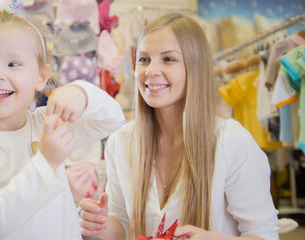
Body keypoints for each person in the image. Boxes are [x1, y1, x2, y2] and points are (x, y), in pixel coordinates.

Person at [79, 13, 279, 240]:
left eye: (168, 59)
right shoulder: (121, 142)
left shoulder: (231, 141)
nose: (151, 70)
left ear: (195, 67)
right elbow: (122, 226)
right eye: (144, 59)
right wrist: (98, 223)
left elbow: (264, 235)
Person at [0, 3, 124, 239]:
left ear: (41, 77)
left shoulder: (48, 122)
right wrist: (47, 161)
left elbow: (112, 120)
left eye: (13, 64)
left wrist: (81, 93)